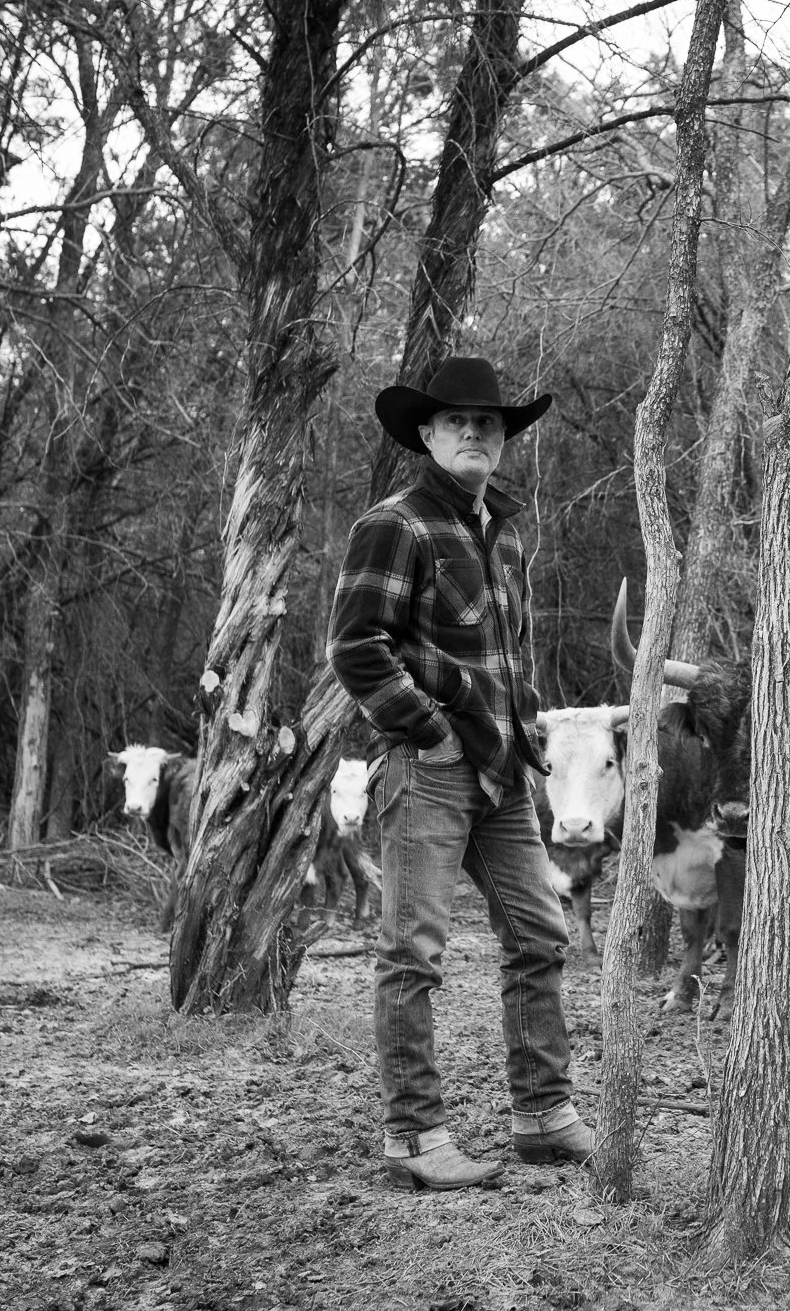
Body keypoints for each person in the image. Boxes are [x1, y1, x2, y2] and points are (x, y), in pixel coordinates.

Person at [328, 355, 594, 1191]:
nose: (476, 431)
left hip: (505, 772)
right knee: (412, 951)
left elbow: (510, 655)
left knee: (540, 934)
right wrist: (431, 730)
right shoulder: (395, 524)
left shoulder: (506, 531)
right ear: (428, 434)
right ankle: (414, 1136)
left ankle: (543, 1115)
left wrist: (525, 733)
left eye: (490, 422)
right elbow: (354, 646)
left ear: (504, 439)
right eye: (457, 421)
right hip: (431, 766)